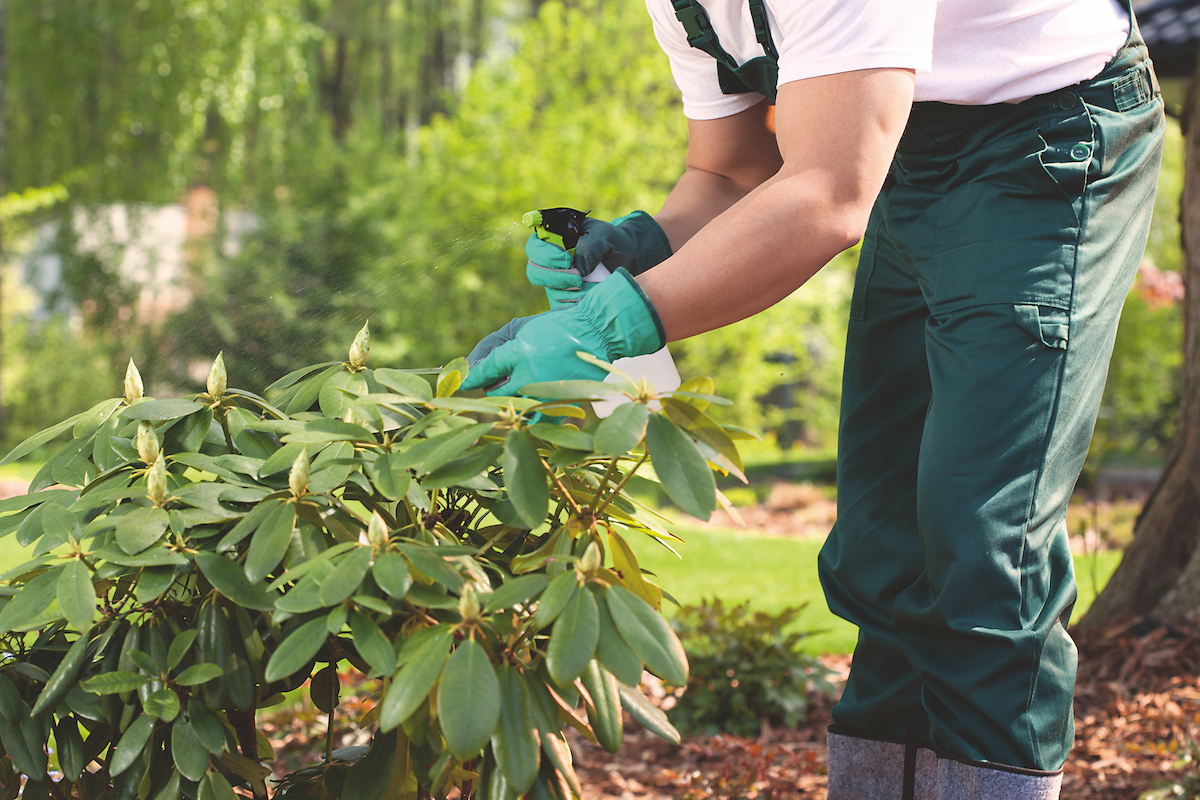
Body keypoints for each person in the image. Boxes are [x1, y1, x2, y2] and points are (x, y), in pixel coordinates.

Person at [462, 0, 1164, 796]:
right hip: (904, 141)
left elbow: (829, 195)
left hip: (1049, 130)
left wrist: (611, 323)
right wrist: (641, 249)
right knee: (883, 542)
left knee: (980, 538)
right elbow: (732, 171)